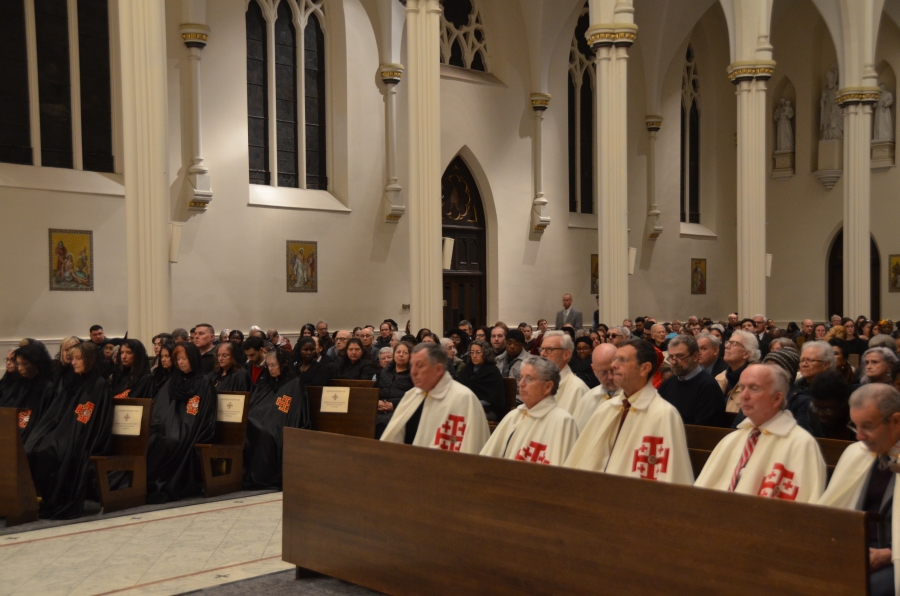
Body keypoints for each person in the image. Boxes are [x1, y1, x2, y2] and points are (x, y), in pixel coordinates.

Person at [564, 339, 693, 484]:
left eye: (622, 360)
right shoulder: (607, 408)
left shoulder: (663, 415)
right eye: (615, 359)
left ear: (644, 368)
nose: (613, 365)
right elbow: (581, 461)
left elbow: (667, 479)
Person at [694, 364, 826, 502]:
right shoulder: (731, 439)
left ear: (777, 398)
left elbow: (803, 508)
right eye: (742, 387)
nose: (744, 395)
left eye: (754, 388)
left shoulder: (801, 444)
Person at [818, 384, 900, 596]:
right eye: (855, 426)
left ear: (896, 421)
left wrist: (890, 554)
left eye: (868, 426)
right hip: (856, 547)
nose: (859, 437)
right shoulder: (858, 453)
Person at [25, 342, 112, 519]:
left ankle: (53, 499)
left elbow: (87, 418)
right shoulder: (73, 381)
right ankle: (34, 498)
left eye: (79, 359)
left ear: (91, 360)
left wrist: (67, 436)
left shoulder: (98, 384)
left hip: (85, 435)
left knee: (51, 451)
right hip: (64, 431)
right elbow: (58, 411)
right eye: (72, 358)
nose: (73, 362)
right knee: (31, 447)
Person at [380, 342, 489, 453]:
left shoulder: (463, 399)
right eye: (412, 365)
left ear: (438, 369)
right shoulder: (412, 395)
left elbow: (470, 449)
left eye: (420, 366)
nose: (413, 372)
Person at [146, 343, 217, 503]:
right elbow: (161, 406)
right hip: (168, 425)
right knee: (153, 438)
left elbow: (204, 413)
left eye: (184, 358)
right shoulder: (174, 380)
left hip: (192, 427)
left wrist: (181, 426)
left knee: (173, 440)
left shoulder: (204, 381)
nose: (180, 362)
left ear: (192, 359)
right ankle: (148, 483)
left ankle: (166, 483)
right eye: (177, 359)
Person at [480, 357, 579, 465]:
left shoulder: (563, 422)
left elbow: (563, 474)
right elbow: (486, 462)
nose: (521, 384)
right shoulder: (513, 416)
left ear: (547, 386)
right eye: (521, 377)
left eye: (529, 379)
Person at [243, 347, 310, 489]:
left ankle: (263, 475)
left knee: (266, 433)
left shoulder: (294, 383)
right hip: (263, 420)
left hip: (281, 423)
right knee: (247, 425)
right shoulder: (267, 381)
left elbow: (292, 411)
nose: (270, 369)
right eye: (268, 365)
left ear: (283, 365)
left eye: (274, 365)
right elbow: (258, 403)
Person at [658, 335, 724, 426]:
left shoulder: (708, 387)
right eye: (671, 357)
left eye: (679, 356)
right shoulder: (667, 384)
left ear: (695, 356)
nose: (673, 362)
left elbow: (702, 429)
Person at [5, 343, 55, 439]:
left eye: (24, 364)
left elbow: (43, 419)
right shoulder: (20, 383)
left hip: (34, 433)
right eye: (18, 364)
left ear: (36, 364)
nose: (19, 368)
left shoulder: (47, 388)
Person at [538, 331, 589, 416]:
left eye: (549, 350)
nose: (542, 354)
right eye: (541, 349)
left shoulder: (577, 389)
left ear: (566, 354)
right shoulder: (539, 382)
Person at [571, 344, 618, 431]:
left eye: (613, 370)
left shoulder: (634, 396)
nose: (610, 377)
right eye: (603, 372)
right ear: (594, 370)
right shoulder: (587, 399)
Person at [457, 339, 506, 421]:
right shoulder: (467, 369)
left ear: (485, 353)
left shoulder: (492, 371)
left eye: (478, 352)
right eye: (472, 352)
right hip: (466, 406)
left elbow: (494, 398)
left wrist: (473, 404)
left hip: (488, 409)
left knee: (468, 416)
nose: (474, 355)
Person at [375, 341, 413, 438]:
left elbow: (414, 397)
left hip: (401, 410)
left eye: (405, 353)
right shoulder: (384, 372)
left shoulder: (413, 374)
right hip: (380, 409)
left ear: (410, 356)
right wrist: (377, 402)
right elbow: (374, 391)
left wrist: (393, 405)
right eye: (398, 352)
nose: (401, 355)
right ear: (394, 354)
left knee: (385, 423)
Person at [716, 330, 760, 414]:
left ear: (746, 354)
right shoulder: (719, 377)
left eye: (734, 343)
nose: (727, 346)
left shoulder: (757, 381)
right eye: (728, 342)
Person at [807, 369, 855, 441]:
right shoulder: (813, 415)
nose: (821, 414)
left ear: (844, 403)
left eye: (827, 410)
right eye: (816, 408)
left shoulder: (858, 420)